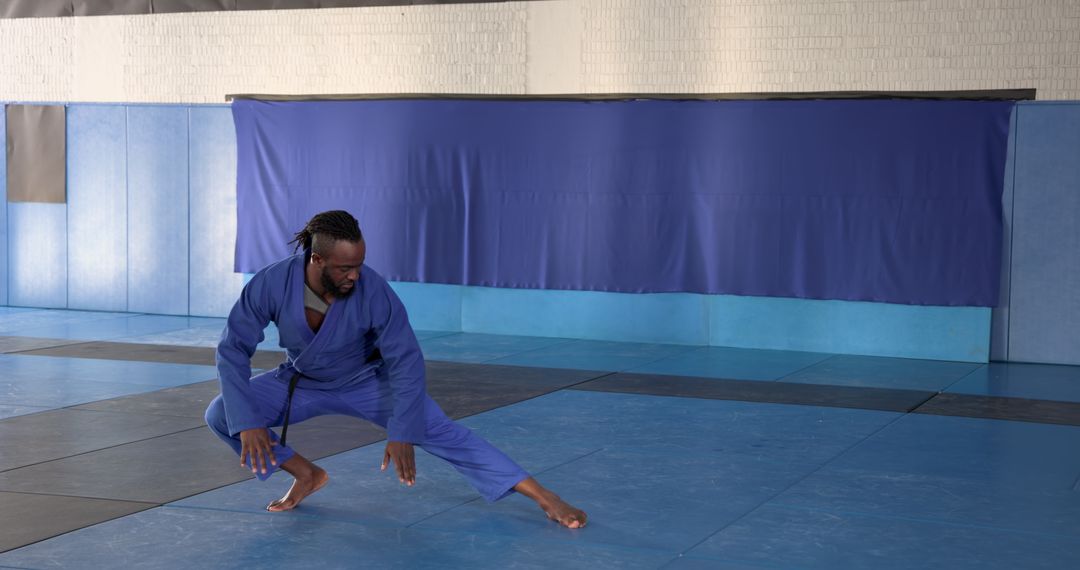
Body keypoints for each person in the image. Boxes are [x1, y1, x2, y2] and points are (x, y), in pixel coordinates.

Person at [204, 210, 586, 528]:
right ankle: (306, 474)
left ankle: (544, 496)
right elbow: (233, 349)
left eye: (359, 265)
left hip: (367, 382)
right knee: (224, 414)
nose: (354, 275)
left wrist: (402, 430)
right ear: (316, 259)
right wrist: (248, 422)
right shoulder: (272, 283)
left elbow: (405, 360)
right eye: (344, 268)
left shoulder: (374, 290)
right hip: (301, 381)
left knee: (443, 432)